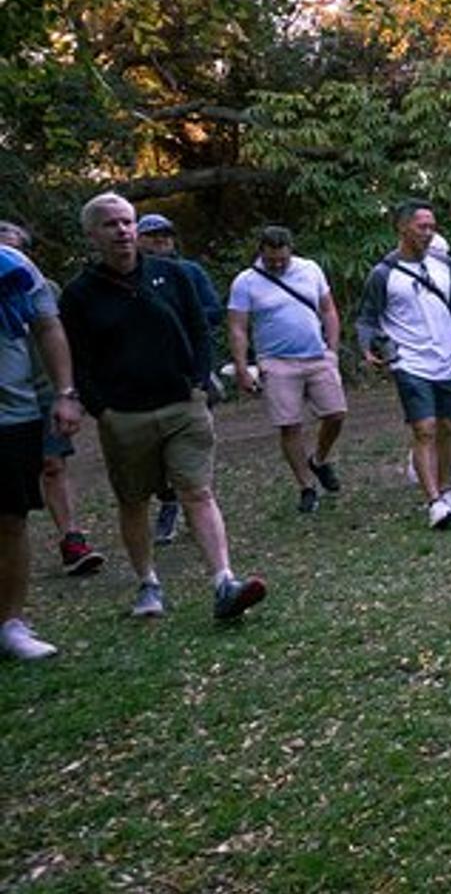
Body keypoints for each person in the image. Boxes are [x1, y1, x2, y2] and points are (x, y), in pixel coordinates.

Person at [59, 193, 267, 623]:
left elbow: (198, 329)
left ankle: (224, 581)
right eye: (111, 224)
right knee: (133, 501)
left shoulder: (174, 276)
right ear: (92, 234)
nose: (122, 231)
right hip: (124, 416)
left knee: (197, 490)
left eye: (127, 222)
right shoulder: (80, 294)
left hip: (182, 405)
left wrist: (197, 383)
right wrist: (102, 409)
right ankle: (148, 583)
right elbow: (76, 357)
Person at [356, 200, 451, 530]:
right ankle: (434, 502)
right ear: (402, 228)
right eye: (422, 227)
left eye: (432, 227)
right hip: (410, 361)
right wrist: (369, 348)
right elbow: (367, 319)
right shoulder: (383, 274)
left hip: (448, 358)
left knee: (447, 427)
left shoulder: (444, 265)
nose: (428, 233)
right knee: (423, 428)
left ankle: (448, 490)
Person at [0, 221, 100, 576]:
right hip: (12, 396)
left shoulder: (43, 287)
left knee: (53, 464)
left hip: (43, 390)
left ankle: (71, 538)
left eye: (16, 247)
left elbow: (58, 335)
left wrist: (68, 390)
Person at [3, 239, 87, 658]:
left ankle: (10, 625)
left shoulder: (12, 265)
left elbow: (48, 327)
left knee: (10, 520)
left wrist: (65, 393)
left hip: (10, 413)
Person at [225, 226, 347, 515]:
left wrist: (332, 350)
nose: (278, 265)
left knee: (336, 414)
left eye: (282, 259)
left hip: (317, 355)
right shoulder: (246, 282)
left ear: (291, 250)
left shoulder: (310, 269)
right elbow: (237, 327)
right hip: (276, 361)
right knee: (289, 424)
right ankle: (306, 486)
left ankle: (318, 459)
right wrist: (242, 367)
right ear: (261, 253)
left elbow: (328, 309)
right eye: (271, 261)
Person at [135, 212, 222, 544]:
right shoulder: (127, 277)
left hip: (188, 373)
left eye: (166, 235)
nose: (161, 240)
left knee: (194, 445)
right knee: (151, 449)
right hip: (142, 377)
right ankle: (168, 500)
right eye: (153, 235)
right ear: (139, 239)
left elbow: (212, 312)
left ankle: (195, 506)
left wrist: (179, 326)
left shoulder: (190, 272)